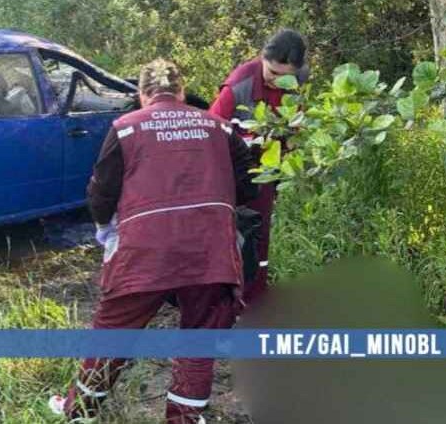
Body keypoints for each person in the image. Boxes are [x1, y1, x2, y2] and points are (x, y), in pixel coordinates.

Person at [49, 59, 258, 424]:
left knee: (112, 335)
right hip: (209, 252)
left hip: (143, 253)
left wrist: (105, 228)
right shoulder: (220, 128)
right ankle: (183, 419)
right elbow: (249, 185)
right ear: (180, 91)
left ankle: (79, 414)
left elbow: (101, 193)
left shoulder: (125, 128)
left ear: (143, 95)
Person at [208, 28, 307, 303]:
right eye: (270, 72)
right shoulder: (239, 86)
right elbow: (210, 133)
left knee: (258, 234)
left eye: (283, 75)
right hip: (230, 170)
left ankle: (255, 298)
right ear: (262, 59)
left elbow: (296, 132)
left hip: (267, 171)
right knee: (228, 234)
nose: (275, 80)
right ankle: (223, 299)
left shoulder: (298, 85)